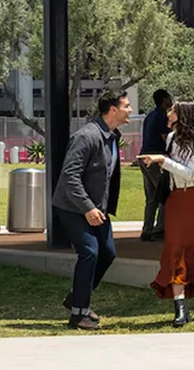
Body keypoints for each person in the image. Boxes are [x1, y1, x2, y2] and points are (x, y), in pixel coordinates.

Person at [138, 101, 194, 327]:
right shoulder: (171, 138)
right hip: (177, 198)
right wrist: (162, 162)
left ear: (184, 116)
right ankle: (180, 308)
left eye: (173, 111)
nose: (168, 114)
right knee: (175, 248)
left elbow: (190, 174)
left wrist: (162, 160)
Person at [52, 91, 130, 330]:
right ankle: (78, 314)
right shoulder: (87, 136)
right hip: (73, 207)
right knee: (90, 252)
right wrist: (87, 208)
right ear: (113, 110)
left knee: (107, 253)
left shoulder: (111, 136)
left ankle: (77, 297)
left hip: (97, 209)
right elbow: (70, 176)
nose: (130, 109)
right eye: (127, 105)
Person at [138, 89, 172, 242]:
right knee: (165, 194)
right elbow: (166, 139)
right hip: (155, 158)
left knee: (151, 197)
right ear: (165, 100)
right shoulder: (161, 116)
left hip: (144, 157)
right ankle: (160, 229)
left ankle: (147, 230)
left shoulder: (149, 116)